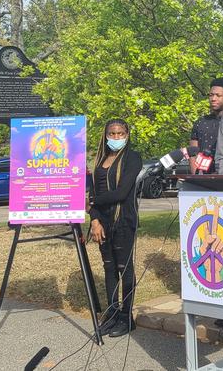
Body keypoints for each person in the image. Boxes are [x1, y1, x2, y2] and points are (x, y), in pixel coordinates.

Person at [88, 119, 142, 338]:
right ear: (106, 135)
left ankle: (126, 318)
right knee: (109, 268)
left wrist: (92, 202)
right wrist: (94, 220)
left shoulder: (132, 158)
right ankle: (111, 315)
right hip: (103, 222)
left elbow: (121, 193)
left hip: (123, 222)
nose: (116, 137)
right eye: (112, 133)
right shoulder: (100, 159)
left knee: (124, 270)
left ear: (127, 135)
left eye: (121, 133)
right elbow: (92, 193)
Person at [189, 77, 223, 174]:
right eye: (211, 95)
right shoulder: (201, 122)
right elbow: (193, 153)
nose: (213, 99)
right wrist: (196, 178)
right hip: (202, 178)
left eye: (218, 95)